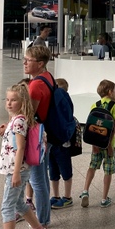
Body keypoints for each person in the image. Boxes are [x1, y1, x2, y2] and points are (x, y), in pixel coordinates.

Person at [0, 83, 50, 229]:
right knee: (19, 203)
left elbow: (20, 148)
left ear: (23, 102)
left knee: (7, 207)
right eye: (7, 99)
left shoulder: (19, 121)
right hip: (19, 169)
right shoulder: (17, 119)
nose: (9, 103)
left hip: (16, 169)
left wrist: (16, 174)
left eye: (13, 100)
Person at [22, 45, 54, 228]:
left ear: (40, 64)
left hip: (36, 137)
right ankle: (45, 216)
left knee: (36, 180)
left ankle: (41, 221)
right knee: (42, 177)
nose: (25, 63)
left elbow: (29, 116)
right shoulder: (48, 77)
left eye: (29, 60)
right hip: (46, 134)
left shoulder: (35, 86)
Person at [79, 79, 115, 208]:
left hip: (95, 144)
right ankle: (104, 199)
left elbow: (92, 127)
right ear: (110, 92)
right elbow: (112, 128)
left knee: (92, 167)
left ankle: (85, 191)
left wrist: (94, 146)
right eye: (114, 90)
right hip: (108, 144)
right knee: (108, 171)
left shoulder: (95, 105)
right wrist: (109, 146)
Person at [50, 77, 75, 210]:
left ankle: (67, 197)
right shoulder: (57, 101)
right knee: (53, 171)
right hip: (53, 142)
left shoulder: (63, 100)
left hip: (61, 142)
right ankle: (56, 196)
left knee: (65, 171)